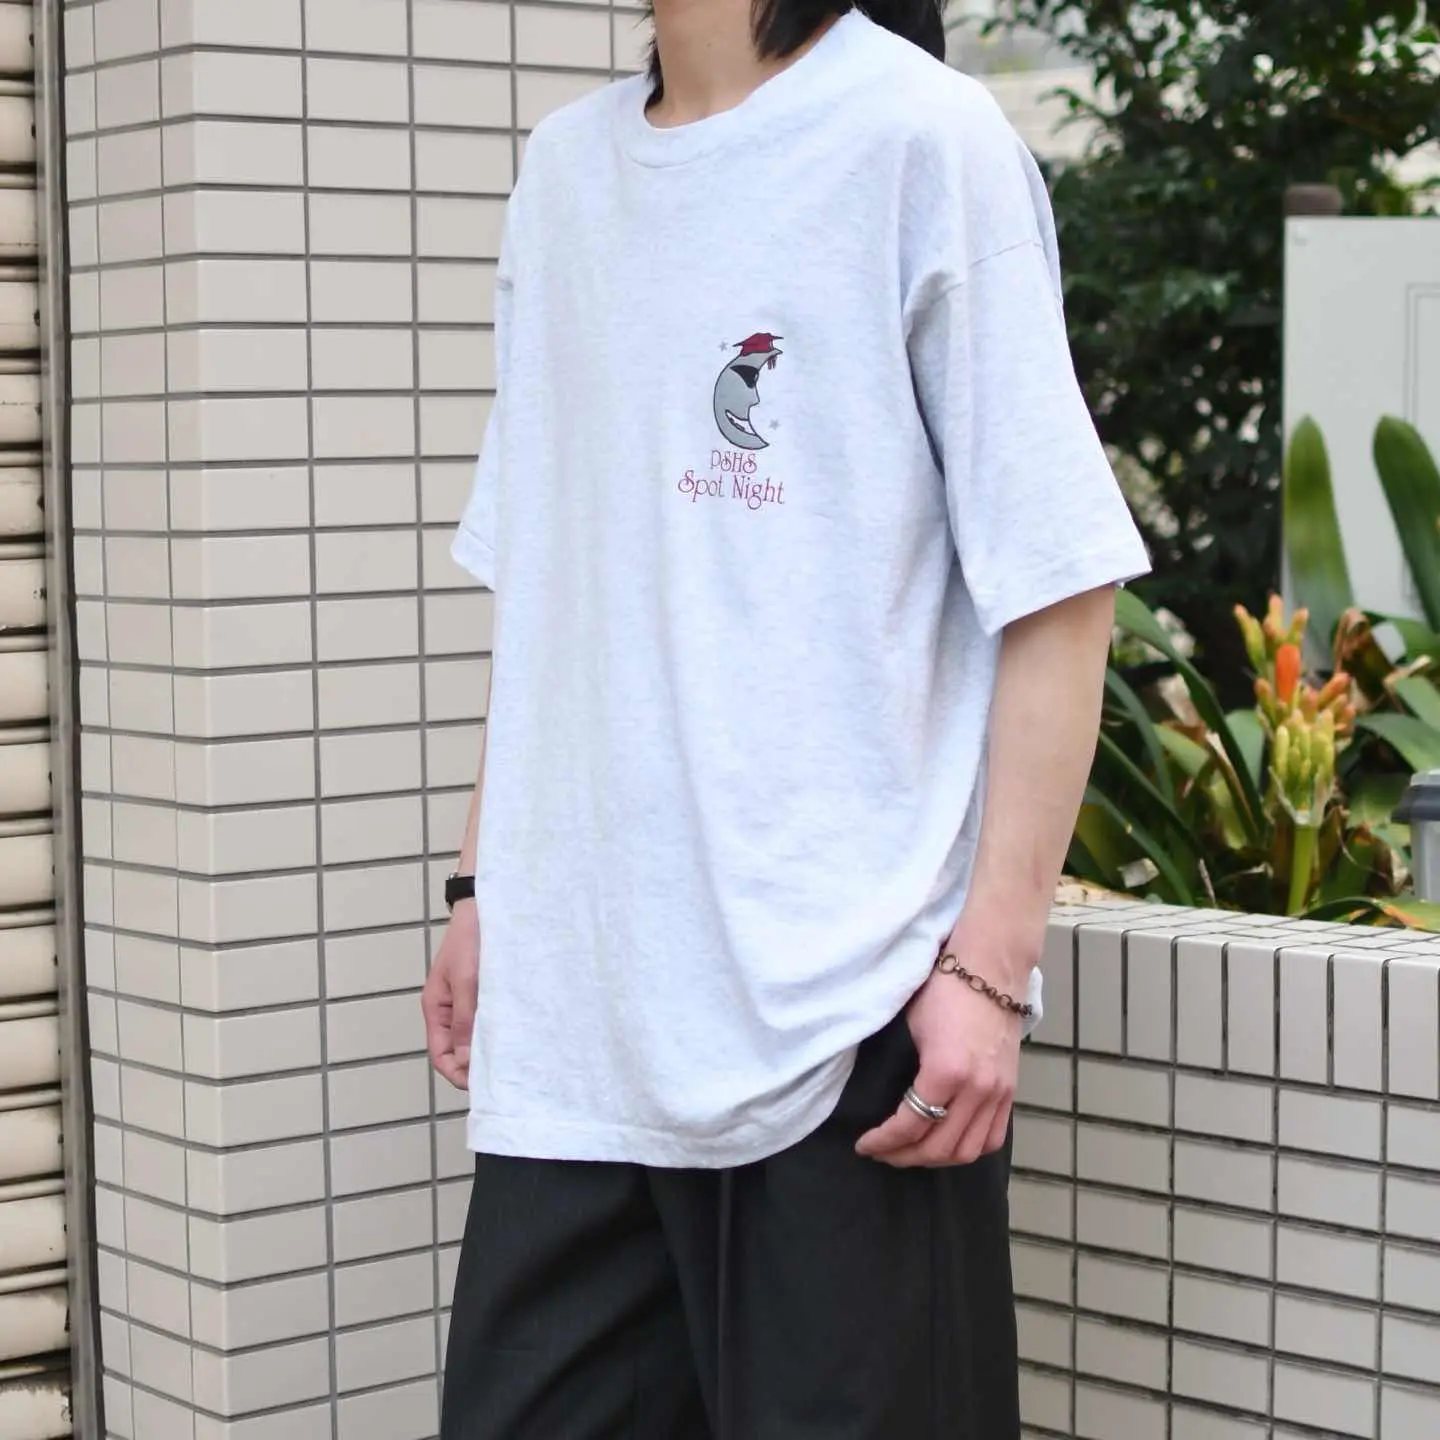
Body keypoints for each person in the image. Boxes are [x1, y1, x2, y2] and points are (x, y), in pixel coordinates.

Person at [422, 0, 1149, 1434]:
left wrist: (990, 971)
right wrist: (480, 880)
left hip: (842, 1021)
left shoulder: (921, 140)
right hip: (578, 1031)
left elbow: (1061, 588)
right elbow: (556, 584)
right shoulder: (564, 175)